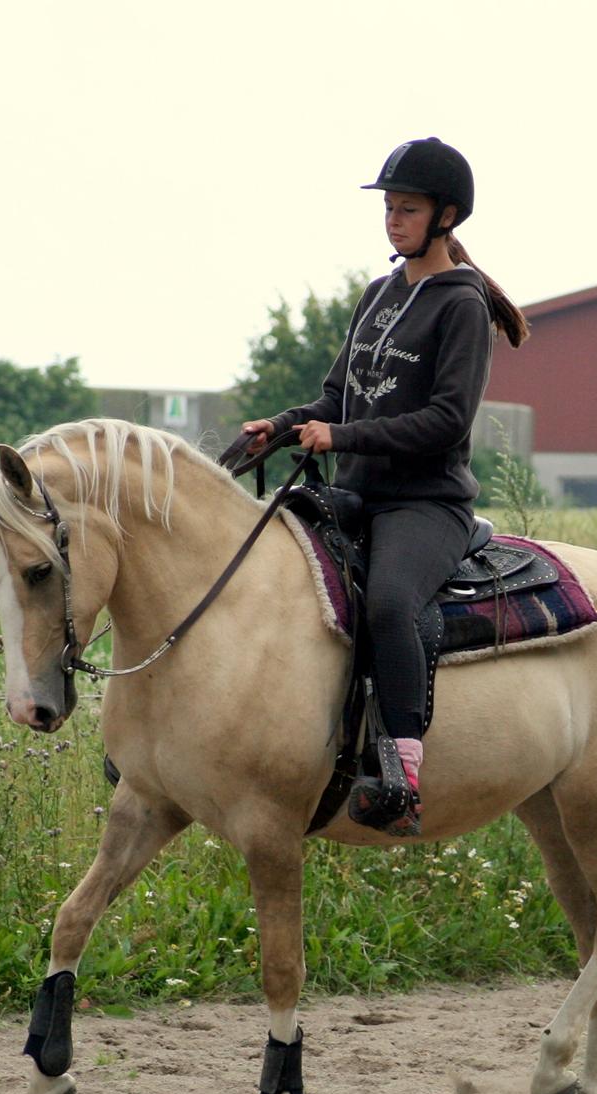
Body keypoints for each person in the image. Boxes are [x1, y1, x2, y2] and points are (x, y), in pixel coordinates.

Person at [242, 137, 529, 836]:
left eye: (407, 209)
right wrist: (280, 426)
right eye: (390, 209)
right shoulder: (378, 295)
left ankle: (401, 773)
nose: (394, 220)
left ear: (446, 216)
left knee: (393, 603)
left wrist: (343, 438)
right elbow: (338, 395)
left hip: (426, 503)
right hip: (358, 495)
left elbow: (444, 420)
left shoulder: (461, 306)